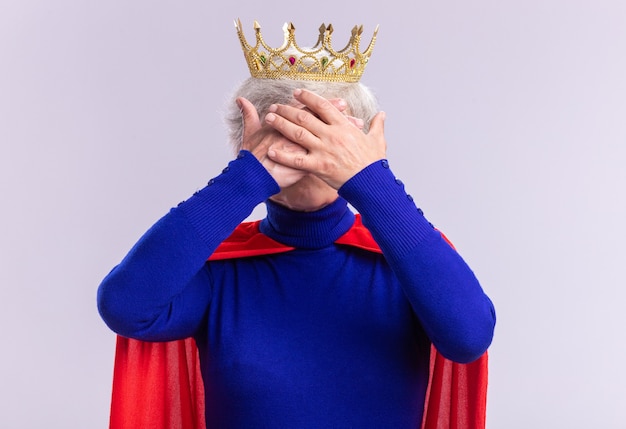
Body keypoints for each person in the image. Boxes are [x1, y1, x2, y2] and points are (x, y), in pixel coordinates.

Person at [97, 20, 496, 428]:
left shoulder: (403, 263)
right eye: (287, 137)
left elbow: (469, 336)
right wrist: (243, 180)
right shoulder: (220, 272)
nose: (307, 156)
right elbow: (126, 306)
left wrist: (372, 179)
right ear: (247, 147)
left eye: (327, 138)